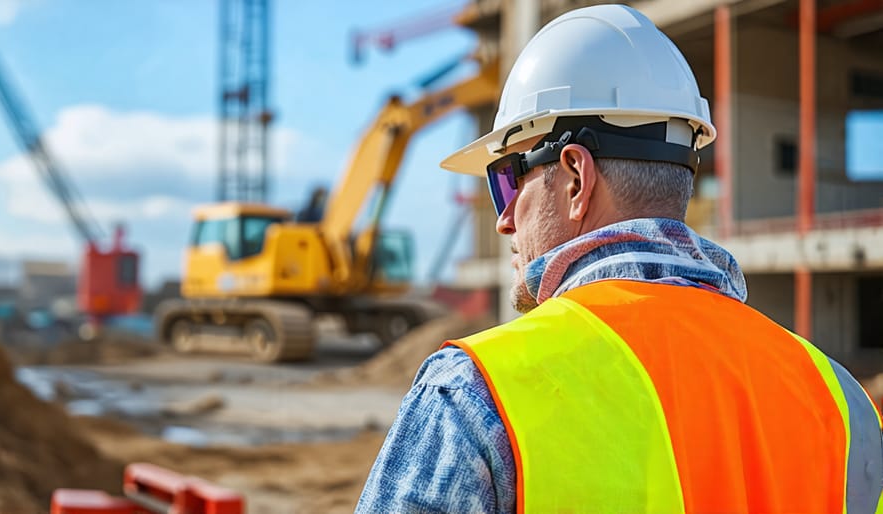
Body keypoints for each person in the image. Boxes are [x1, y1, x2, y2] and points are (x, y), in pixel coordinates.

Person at [356, 4, 883, 513]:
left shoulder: (477, 393)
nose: (505, 218)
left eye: (506, 181)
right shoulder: (842, 401)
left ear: (576, 178)